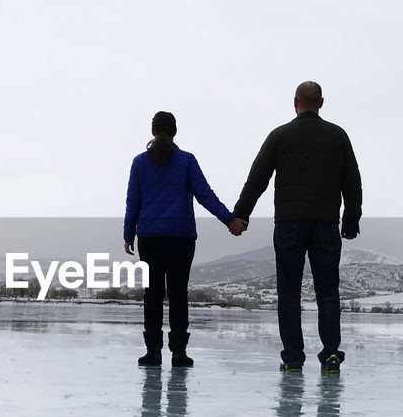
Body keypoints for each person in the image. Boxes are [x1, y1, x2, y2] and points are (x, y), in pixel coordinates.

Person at [230, 81, 362, 374]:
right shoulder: (338, 136)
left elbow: (258, 178)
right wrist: (351, 220)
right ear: (322, 103)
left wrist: (241, 215)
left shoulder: (280, 136)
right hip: (326, 225)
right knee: (328, 293)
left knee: (288, 293)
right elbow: (352, 182)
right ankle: (330, 356)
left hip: (289, 224)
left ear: (295, 102)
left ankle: (292, 358)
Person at [124, 111, 242, 367]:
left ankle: (153, 352)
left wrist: (128, 233)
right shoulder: (186, 161)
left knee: (152, 294)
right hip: (181, 237)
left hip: (150, 237)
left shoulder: (140, 163)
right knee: (178, 294)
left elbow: (133, 201)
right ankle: (179, 353)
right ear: (174, 131)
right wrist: (229, 219)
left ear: (153, 131)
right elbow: (205, 195)